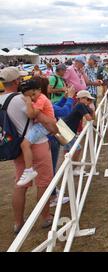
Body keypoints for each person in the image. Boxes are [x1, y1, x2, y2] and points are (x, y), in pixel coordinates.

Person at [0, 67, 56, 233]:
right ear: (17, 81)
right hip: (37, 143)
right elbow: (39, 117)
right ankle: (46, 217)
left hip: (17, 147)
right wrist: (53, 125)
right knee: (44, 183)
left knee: (20, 183)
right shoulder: (22, 99)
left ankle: (18, 222)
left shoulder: (1, 100)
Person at [17, 79, 57, 186]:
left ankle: (29, 170)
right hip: (43, 125)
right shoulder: (39, 97)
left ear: (39, 90)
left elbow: (31, 114)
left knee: (25, 145)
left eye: (33, 94)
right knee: (25, 145)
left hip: (43, 126)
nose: (33, 98)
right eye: (30, 96)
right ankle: (29, 170)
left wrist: (28, 102)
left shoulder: (41, 98)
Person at [61, 90, 95, 174]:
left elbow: (93, 118)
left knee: (67, 150)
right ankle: (73, 169)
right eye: (88, 99)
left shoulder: (81, 105)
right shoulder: (80, 105)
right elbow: (89, 118)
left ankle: (68, 169)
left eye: (90, 100)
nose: (89, 101)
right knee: (78, 148)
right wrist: (91, 109)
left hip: (62, 127)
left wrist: (91, 109)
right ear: (81, 99)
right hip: (65, 129)